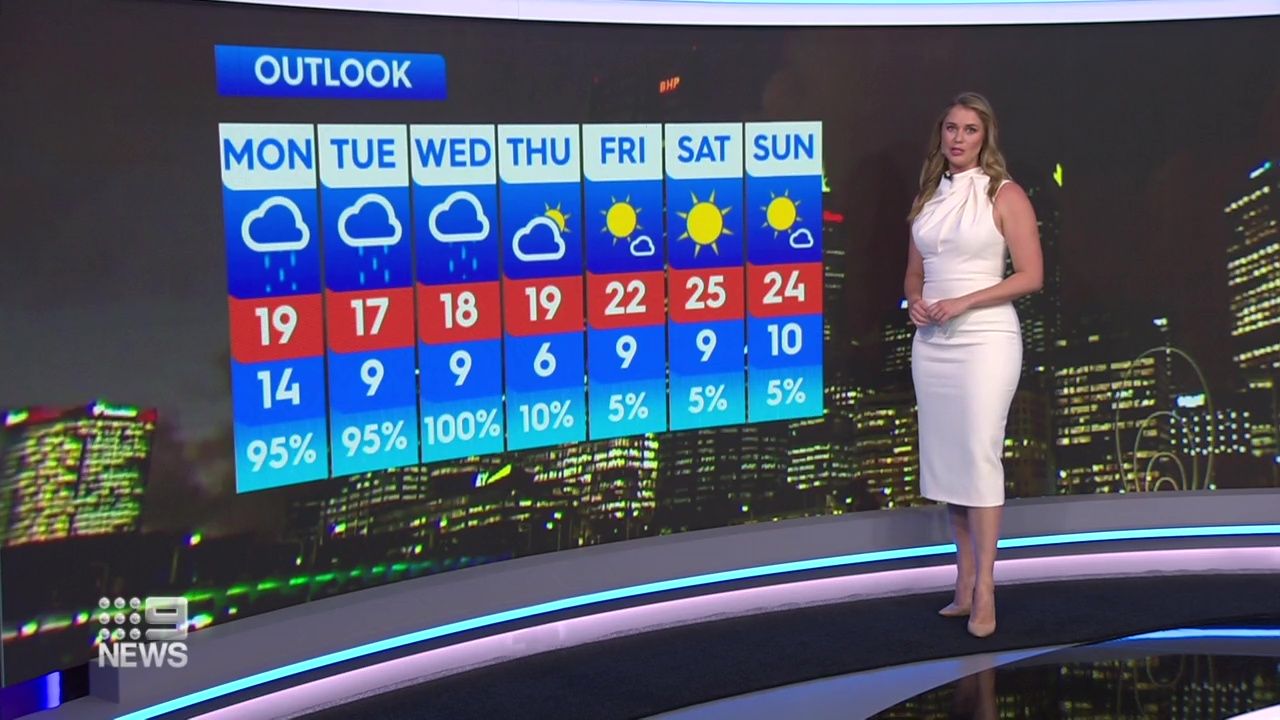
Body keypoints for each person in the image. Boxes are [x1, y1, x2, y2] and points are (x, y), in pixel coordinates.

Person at [903, 92, 1044, 638]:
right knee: (951, 465)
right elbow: (915, 273)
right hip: (932, 343)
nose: (958, 138)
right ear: (940, 135)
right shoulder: (928, 197)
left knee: (980, 459)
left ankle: (986, 588)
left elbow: (1030, 275)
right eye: (951, 128)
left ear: (986, 138)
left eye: (970, 130)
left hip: (985, 339)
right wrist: (915, 301)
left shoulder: (1003, 193)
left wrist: (963, 302)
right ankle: (962, 583)